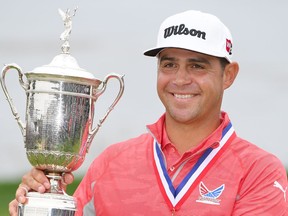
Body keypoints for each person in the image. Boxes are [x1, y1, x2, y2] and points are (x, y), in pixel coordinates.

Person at [9, 10, 288, 215]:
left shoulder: (259, 172)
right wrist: (40, 202)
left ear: (229, 75)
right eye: (169, 65)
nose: (180, 79)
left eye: (197, 66)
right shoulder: (110, 163)